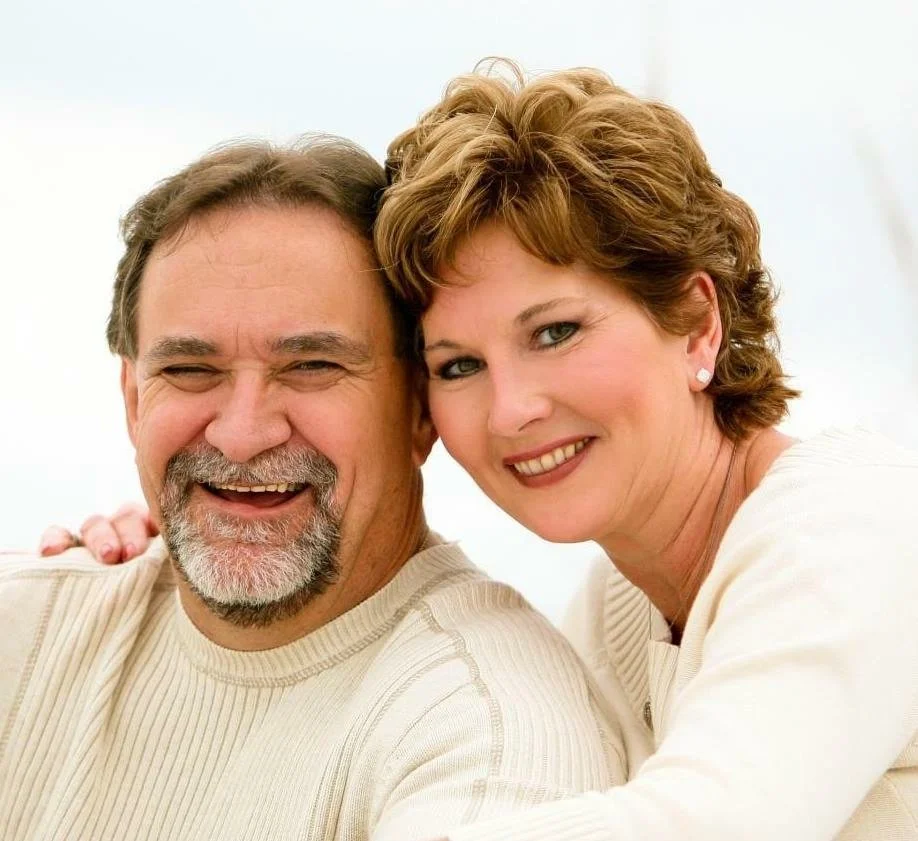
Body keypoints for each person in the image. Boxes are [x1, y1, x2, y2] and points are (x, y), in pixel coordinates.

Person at [43, 65, 918, 840]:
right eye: (458, 364)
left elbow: (717, 821)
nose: (511, 409)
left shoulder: (852, 525)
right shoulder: (625, 603)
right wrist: (224, 521)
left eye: (556, 331)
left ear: (696, 323)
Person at [1, 137, 624, 841]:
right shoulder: (26, 632)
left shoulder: (494, 732)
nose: (241, 434)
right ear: (133, 398)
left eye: (313, 366)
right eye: (190, 370)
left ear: (420, 407)